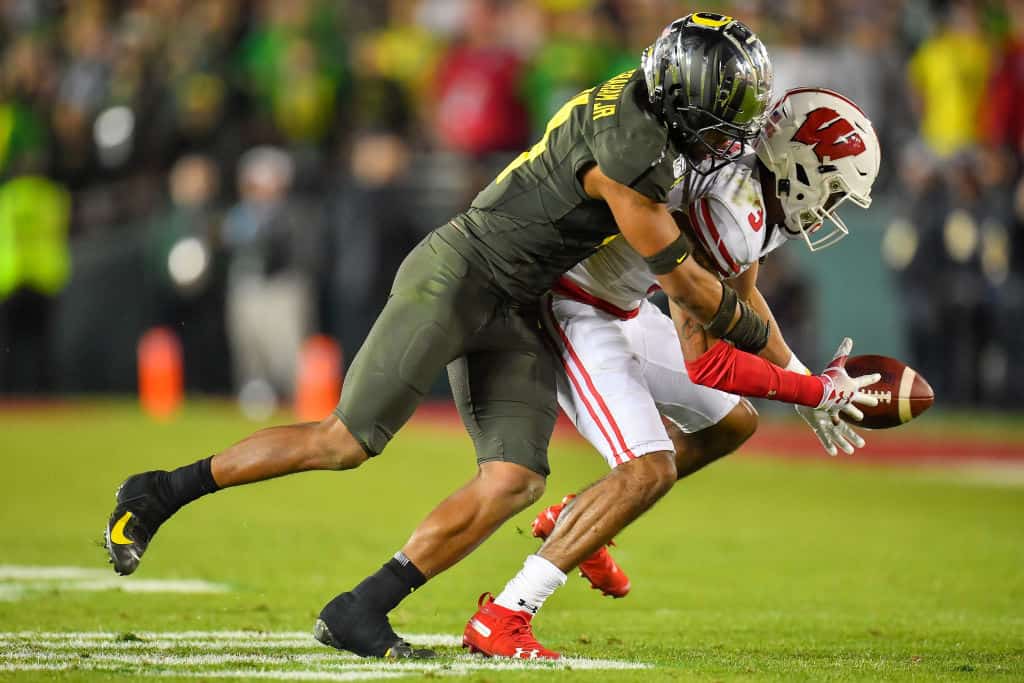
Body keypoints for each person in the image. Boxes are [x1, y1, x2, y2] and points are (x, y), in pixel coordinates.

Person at [104, 13, 779, 659]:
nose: (729, 138)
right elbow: (686, 285)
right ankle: (160, 490)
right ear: (681, 101)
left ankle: (361, 607)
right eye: (722, 119)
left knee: (514, 479)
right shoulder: (631, 153)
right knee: (342, 441)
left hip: (519, 301)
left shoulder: (646, 118)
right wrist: (781, 357)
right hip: (460, 274)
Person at [462, 87, 883, 659]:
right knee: (648, 468)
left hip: (623, 305)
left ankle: (584, 516)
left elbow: (743, 299)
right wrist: (811, 391)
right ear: (799, 165)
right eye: (832, 189)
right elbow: (707, 360)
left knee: (733, 423)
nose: (829, 207)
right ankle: (506, 613)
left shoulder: (749, 189)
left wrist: (805, 378)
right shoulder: (728, 211)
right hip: (573, 304)